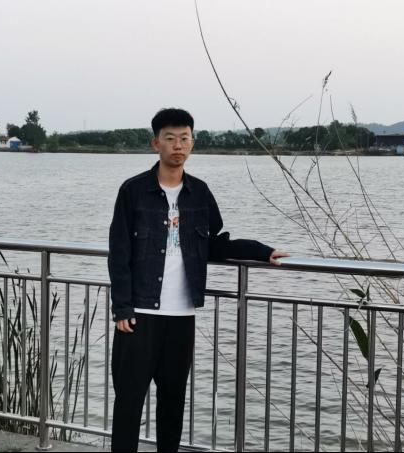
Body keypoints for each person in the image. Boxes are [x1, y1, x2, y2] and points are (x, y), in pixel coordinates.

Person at [108, 108, 289, 452]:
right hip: (139, 315)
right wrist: (123, 308)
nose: (178, 145)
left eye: (184, 138)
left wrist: (260, 251)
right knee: (129, 402)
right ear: (156, 144)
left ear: (192, 143)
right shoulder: (133, 191)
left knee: (173, 401)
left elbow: (213, 244)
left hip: (181, 316)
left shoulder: (200, 193)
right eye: (170, 138)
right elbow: (119, 253)